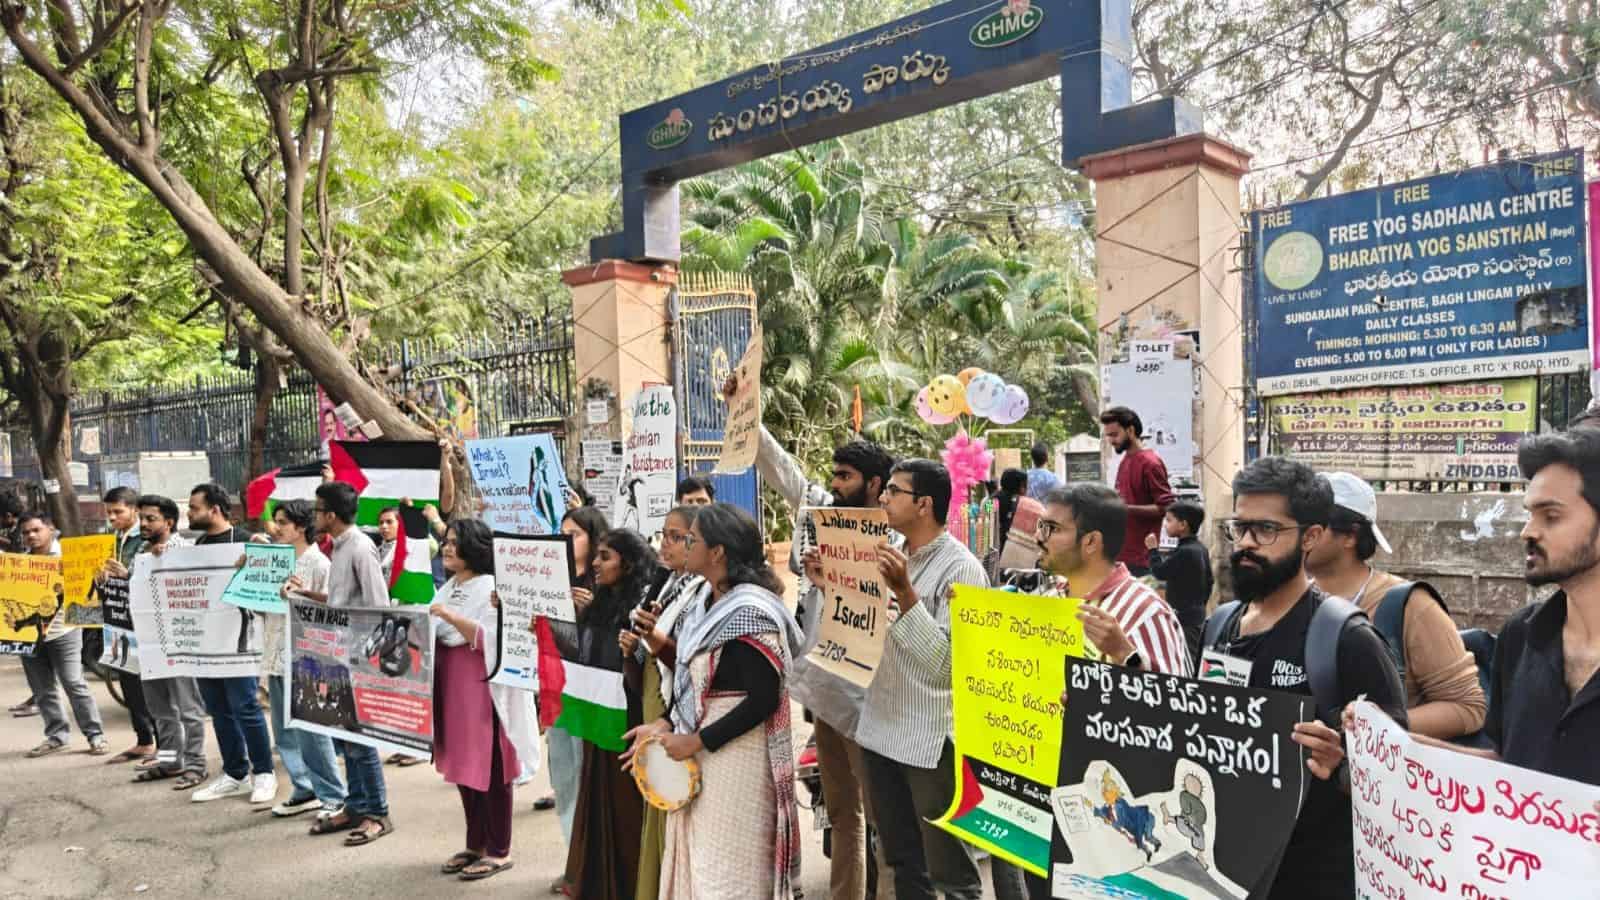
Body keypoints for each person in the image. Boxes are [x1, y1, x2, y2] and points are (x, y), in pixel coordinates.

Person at [1198, 457, 1406, 899]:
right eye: (1239, 527)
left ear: (1311, 536)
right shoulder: (1219, 626)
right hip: (1224, 873)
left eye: (1267, 530)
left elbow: (1396, 776)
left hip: (1311, 878)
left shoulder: (1345, 637)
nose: (1246, 544)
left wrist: (1341, 764)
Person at [1379, 429, 1600, 785]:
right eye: (1530, 514)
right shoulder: (1520, 635)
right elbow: (1505, 765)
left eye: (1551, 516)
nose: (1527, 531)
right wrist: (1382, 743)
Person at [744, 401, 896, 900]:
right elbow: (779, 468)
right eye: (833, 474)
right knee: (840, 814)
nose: (834, 483)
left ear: (875, 485)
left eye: (846, 476)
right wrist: (742, 412)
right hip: (823, 690)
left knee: (884, 822)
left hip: (872, 697)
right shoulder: (818, 515)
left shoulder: (896, 539)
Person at [625, 503, 805, 900]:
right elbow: (695, 679)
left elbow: (763, 699)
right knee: (702, 862)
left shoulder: (751, 611)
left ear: (717, 552)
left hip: (736, 756)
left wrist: (697, 740)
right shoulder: (705, 599)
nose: (683, 545)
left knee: (730, 869)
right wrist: (668, 723)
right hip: (705, 744)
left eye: (691, 539)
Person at [857, 459, 989, 900]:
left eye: (893, 490)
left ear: (924, 504)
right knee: (901, 861)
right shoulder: (886, 551)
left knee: (949, 871)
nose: (882, 498)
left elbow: (949, 667)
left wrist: (905, 592)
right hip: (880, 726)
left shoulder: (963, 570)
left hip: (931, 739)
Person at [1306, 472, 1485, 740]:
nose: (1301, 535)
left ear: (1350, 536)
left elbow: (1469, 707)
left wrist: (1375, 725)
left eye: (1313, 525)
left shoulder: (1411, 607)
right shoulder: (1286, 603)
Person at [430, 519, 540, 883]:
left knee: (492, 769)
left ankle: (499, 849)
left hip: (482, 688)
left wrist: (449, 617)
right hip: (451, 685)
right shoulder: (447, 586)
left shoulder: (492, 588)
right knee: (463, 766)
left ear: (474, 548)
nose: (446, 548)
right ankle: (474, 843)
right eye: (445, 542)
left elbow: (489, 638)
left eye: (455, 543)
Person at [618, 505, 709, 900]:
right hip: (656, 694)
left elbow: (691, 661)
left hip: (679, 704)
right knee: (656, 795)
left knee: (675, 798)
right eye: (665, 535)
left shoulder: (702, 591)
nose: (665, 544)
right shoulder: (669, 584)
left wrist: (654, 641)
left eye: (677, 536)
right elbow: (652, 652)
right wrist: (634, 649)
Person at [296, 481, 394, 846]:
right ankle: (356, 805)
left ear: (332, 516)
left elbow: (376, 605)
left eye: (318, 510)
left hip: (357, 657)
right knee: (344, 735)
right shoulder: (338, 547)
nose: (314, 515)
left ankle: (378, 813)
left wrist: (371, 663)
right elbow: (341, 600)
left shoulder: (360, 548)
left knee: (361, 739)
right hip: (337, 655)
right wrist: (307, 595)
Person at [562, 527, 657, 899]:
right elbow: (578, 654)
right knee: (599, 802)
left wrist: (631, 650)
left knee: (627, 810)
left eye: (606, 557)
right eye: (597, 556)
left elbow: (645, 677)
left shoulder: (645, 608)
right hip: (599, 720)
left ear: (628, 563)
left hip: (629, 721)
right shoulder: (598, 603)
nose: (597, 565)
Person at [184, 483, 277, 805]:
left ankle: (264, 773)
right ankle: (235, 773)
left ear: (215, 509)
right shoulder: (199, 544)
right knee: (219, 709)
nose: (189, 513)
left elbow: (273, 578)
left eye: (194, 508)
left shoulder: (247, 540)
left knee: (246, 706)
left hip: (240, 640)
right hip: (207, 642)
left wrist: (258, 557)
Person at [1040, 484, 1190, 676]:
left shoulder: (1147, 613)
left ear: (1091, 542)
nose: (1039, 536)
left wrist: (1125, 655)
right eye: (1041, 526)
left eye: (1052, 528)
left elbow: (1175, 700)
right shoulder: (1049, 598)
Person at [537, 504, 610, 894]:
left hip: (593, 698)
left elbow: (604, 645)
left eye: (575, 533)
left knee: (588, 779)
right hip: (559, 693)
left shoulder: (604, 582)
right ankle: (574, 862)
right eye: (562, 532)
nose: (566, 540)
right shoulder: (550, 578)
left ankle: (592, 865)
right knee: (564, 778)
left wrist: (587, 612)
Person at [264, 500, 347, 820]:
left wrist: (299, 596)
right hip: (276, 650)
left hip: (307, 658)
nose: (276, 528)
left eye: (283, 522)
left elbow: (332, 613)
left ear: (300, 527)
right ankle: (303, 786)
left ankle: (332, 794)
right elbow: (263, 606)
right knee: (285, 730)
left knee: (313, 730)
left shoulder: (319, 564)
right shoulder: (276, 561)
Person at [130, 495, 208, 789]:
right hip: (149, 642)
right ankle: (170, 761)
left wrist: (171, 562)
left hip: (179, 641)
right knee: (159, 708)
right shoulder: (141, 554)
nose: (144, 524)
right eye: (142, 518)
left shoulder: (185, 551)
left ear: (169, 522)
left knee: (188, 707)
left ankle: (196, 764)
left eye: (151, 518)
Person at [17, 513, 108, 757]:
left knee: (74, 682)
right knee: (42, 689)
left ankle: (95, 735)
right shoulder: (19, 564)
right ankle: (56, 736)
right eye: (26, 532)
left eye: (36, 530)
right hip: (29, 636)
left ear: (51, 529)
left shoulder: (71, 558)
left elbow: (89, 593)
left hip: (64, 632)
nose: (31, 536)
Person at [97, 486, 156, 764]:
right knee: (128, 680)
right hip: (119, 618)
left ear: (134, 510)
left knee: (150, 684)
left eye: (118, 511)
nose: (112, 517)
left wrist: (127, 574)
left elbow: (151, 574)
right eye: (109, 512)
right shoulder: (110, 539)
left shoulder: (145, 539)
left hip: (143, 619)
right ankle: (143, 740)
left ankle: (162, 742)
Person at [1100, 406, 1175, 576]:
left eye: (1114, 434)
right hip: (1121, 556)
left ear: (1131, 430)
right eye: (1108, 436)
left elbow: (1166, 507)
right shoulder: (1126, 459)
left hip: (1141, 558)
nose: (1111, 441)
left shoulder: (1150, 463)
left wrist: (1126, 509)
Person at [1144, 498, 1211, 667]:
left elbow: (1159, 571)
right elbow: (1210, 581)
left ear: (1183, 525)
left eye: (1169, 520)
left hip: (1185, 618)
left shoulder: (1185, 552)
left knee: (1189, 661)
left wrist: (1152, 549)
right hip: (1196, 614)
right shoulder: (1199, 548)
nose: (1165, 525)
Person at [994, 468, 1028, 555]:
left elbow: (987, 516)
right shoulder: (1022, 503)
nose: (1026, 489)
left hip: (995, 548)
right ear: (1019, 485)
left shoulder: (992, 499)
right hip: (1014, 551)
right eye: (1025, 485)